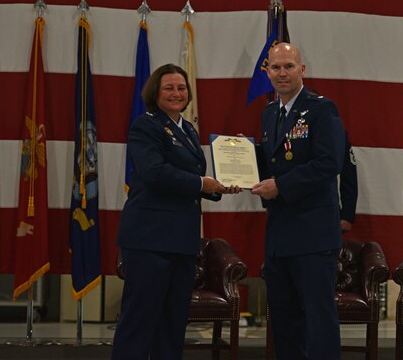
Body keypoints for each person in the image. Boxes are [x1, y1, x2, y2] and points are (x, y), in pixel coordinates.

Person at [111, 64, 239, 360]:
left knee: (173, 323)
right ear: (154, 92)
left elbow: (196, 178)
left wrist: (221, 186)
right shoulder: (146, 126)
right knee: (139, 321)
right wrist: (202, 183)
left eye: (181, 88)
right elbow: (154, 173)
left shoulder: (188, 129)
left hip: (181, 241)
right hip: (149, 241)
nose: (176, 93)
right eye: (168, 87)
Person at [251, 43, 346, 359]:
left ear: (302, 70)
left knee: (318, 319)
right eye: (275, 68)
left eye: (289, 66)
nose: (282, 73)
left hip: (313, 234)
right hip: (279, 234)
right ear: (268, 72)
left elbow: (329, 163)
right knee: (284, 319)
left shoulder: (322, 109)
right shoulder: (269, 114)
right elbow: (270, 163)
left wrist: (280, 186)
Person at [306, 88, 358, 232]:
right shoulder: (281, 132)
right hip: (286, 211)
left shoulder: (336, 133)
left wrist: (347, 214)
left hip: (323, 210)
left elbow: (348, 174)